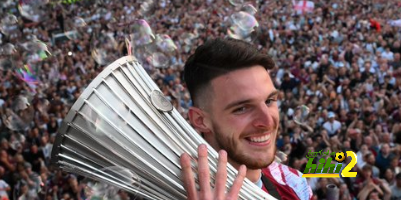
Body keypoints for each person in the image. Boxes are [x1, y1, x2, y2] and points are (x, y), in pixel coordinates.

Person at [180, 38, 312, 200]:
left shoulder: (294, 183)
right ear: (200, 120)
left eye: (269, 101)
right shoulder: (165, 190)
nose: (268, 122)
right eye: (242, 108)